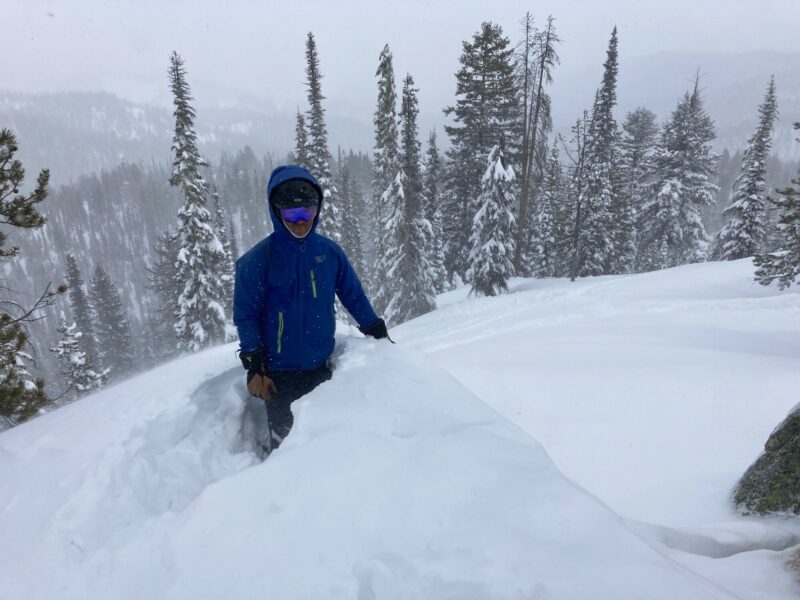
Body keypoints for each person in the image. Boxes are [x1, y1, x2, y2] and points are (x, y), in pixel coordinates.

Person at [233, 165, 389, 455]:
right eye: (292, 214)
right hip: (278, 376)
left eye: (308, 211)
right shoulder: (257, 261)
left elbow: (352, 295)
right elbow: (246, 315)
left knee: (326, 447)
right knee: (286, 449)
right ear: (276, 211)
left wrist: (373, 327)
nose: (302, 220)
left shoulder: (328, 253)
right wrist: (254, 365)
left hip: (321, 369)